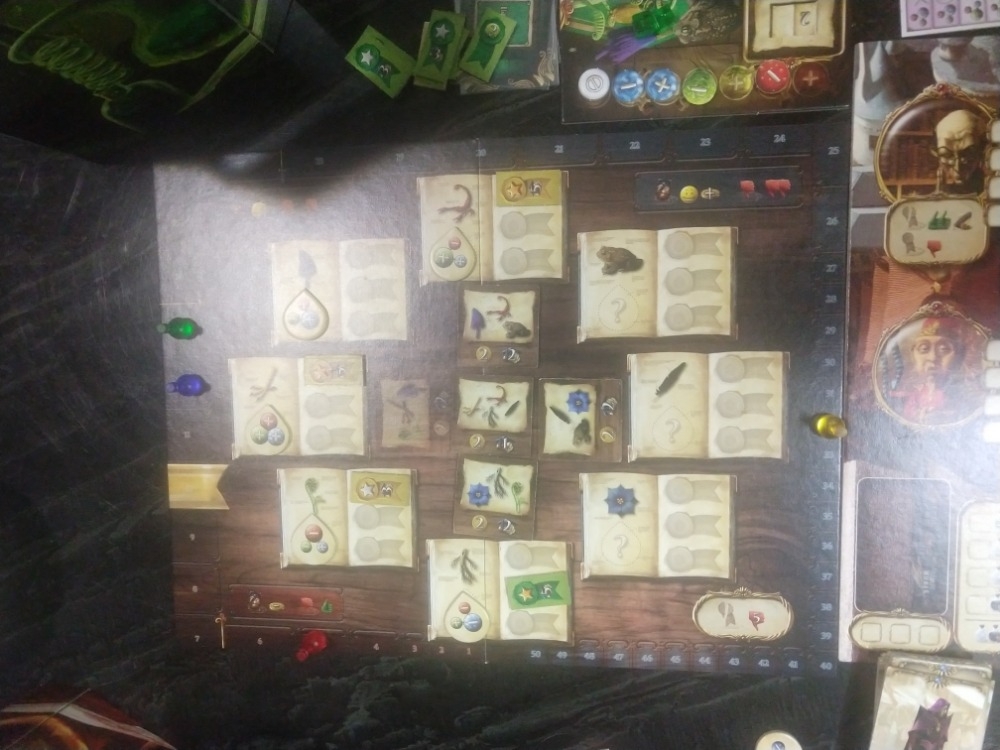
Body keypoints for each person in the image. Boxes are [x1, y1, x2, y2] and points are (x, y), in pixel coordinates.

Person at [882, 314, 982, 426]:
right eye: (924, 349)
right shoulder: (899, 401)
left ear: (959, 357)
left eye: (943, 349)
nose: (932, 357)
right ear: (913, 355)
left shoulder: (971, 402)